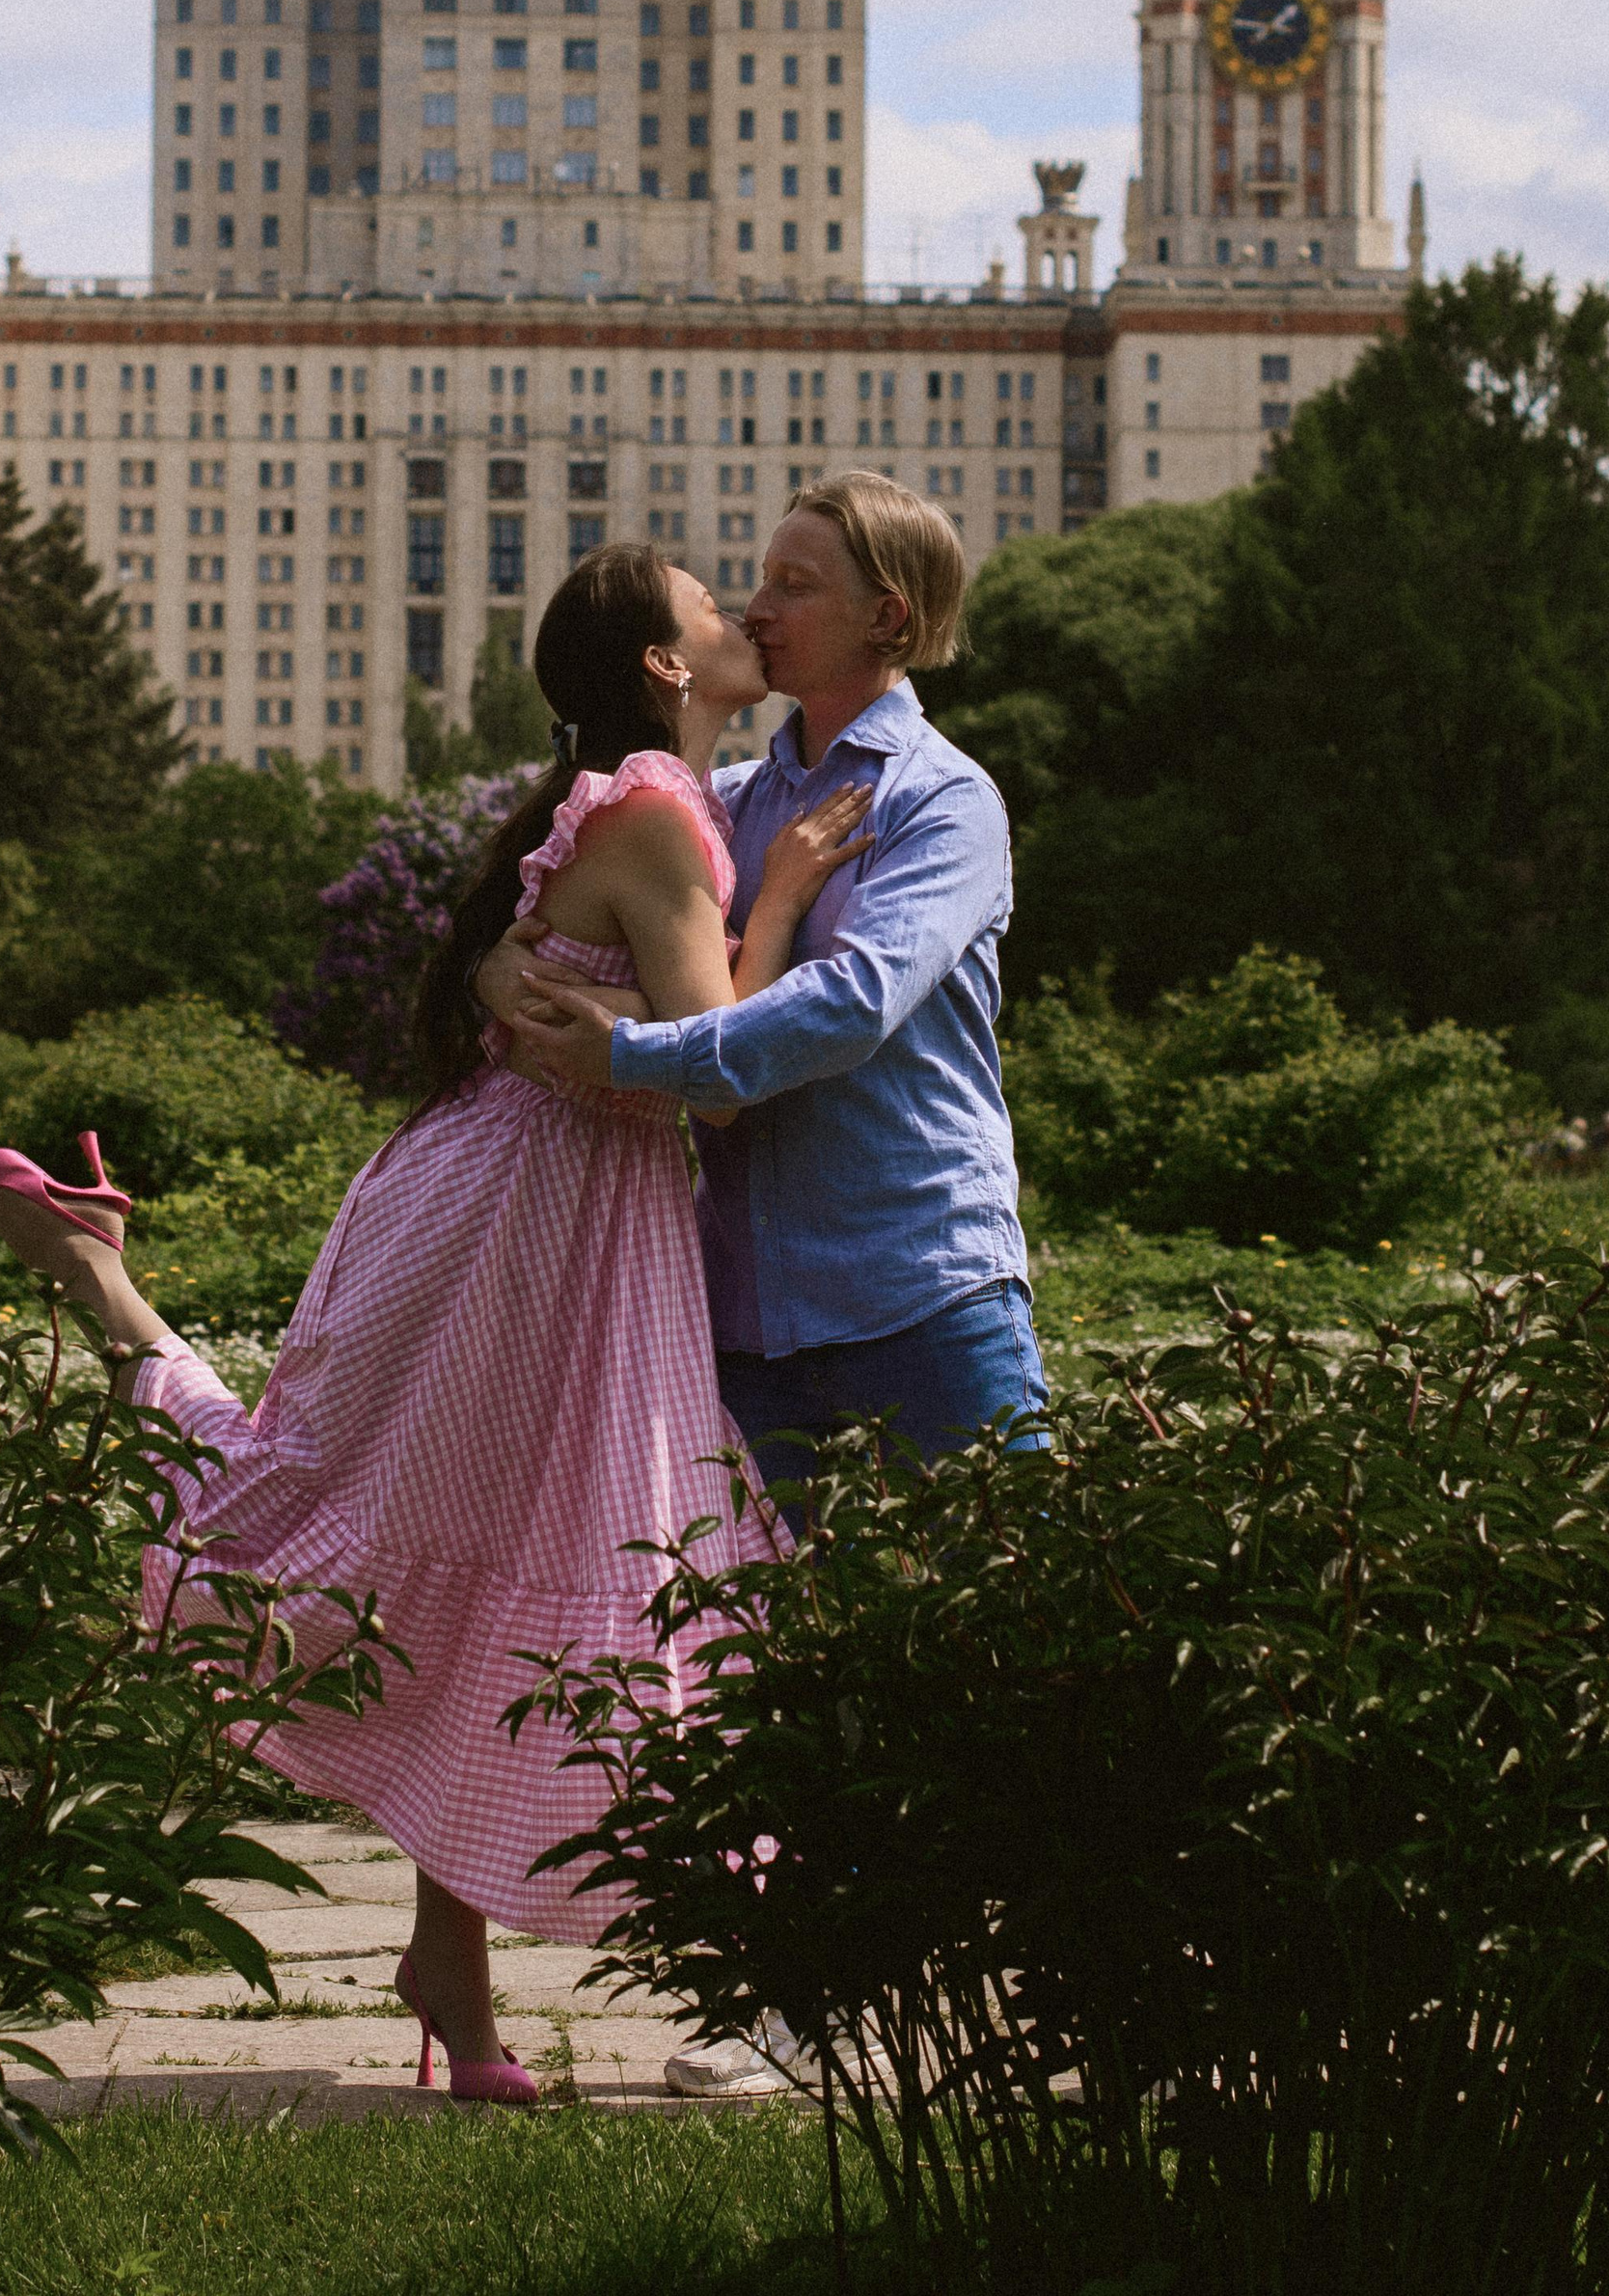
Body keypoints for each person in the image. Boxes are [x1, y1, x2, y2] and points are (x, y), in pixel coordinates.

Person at [0, 544, 869, 2110]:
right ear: (664, 667)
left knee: (479, 1547)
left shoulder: (626, 799)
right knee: (406, 1532)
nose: (738, 612)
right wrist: (799, 894)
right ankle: (96, 1275)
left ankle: (451, 1974)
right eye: (708, 600)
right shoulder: (657, 814)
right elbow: (721, 1044)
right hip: (531, 1214)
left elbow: (618, 1013)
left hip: (529, 1202)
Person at [489, 474, 1043, 2100]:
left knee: (1007, 1654)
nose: (755, 602)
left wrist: (641, 1052)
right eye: (755, 578)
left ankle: (1062, 1971)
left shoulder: (944, 799)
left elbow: (854, 1006)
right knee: (791, 1688)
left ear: (886, 613)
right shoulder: (732, 806)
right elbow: (608, 907)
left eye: (792, 581)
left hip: (924, 1286)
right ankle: (808, 2003)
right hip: (748, 1310)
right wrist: (503, 966)